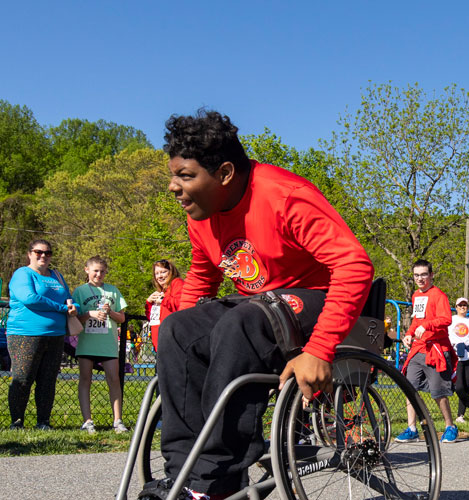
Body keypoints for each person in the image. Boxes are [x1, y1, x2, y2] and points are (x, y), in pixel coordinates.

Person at [144, 110, 373, 500]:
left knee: (244, 321)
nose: (173, 187)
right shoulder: (202, 215)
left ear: (226, 174)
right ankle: (184, 475)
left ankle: (215, 480)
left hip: (317, 297)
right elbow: (202, 275)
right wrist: (181, 342)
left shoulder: (284, 196)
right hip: (262, 306)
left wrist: (319, 349)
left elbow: (354, 265)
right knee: (178, 330)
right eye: (173, 176)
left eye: (185, 176)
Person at [7, 239, 78, 430]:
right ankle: (17, 422)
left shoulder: (57, 276)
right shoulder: (23, 274)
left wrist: (73, 307)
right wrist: (61, 308)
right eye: (39, 252)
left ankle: (43, 421)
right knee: (23, 377)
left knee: (48, 380)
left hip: (55, 335)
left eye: (48, 253)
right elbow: (30, 298)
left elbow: (69, 299)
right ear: (30, 253)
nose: (43, 256)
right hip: (25, 333)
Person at [396, 260, 458, 444]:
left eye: (424, 274)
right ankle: (412, 428)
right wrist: (408, 334)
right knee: (409, 387)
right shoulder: (416, 295)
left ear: (431, 275)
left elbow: (446, 319)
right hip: (418, 349)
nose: (420, 278)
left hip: (436, 349)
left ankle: (450, 426)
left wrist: (427, 325)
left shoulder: (439, 295)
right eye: (416, 275)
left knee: (439, 392)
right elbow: (417, 321)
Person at [73, 256, 129, 434]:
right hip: (87, 344)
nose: (99, 274)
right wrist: (90, 313)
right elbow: (74, 319)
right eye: (95, 270)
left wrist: (109, 311)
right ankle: (87, 421)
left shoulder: (112, 291)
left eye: (102, 271)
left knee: (114, 380)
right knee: (85, 380)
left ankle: (118, 420)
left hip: (108, 345)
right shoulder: (80, 291)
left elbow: (122, 318)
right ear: (87, 270)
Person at [449, 297, 469, 423]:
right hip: (455, 356)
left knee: (466, 386)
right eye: (460, 305)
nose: (463, 307)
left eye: (465, 305)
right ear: (456, 307)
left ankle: (460, 415)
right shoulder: (451, 320)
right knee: (458, 387)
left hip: (468, 356)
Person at [144, 259, 184, 339]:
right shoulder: (162, 291)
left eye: (163, 272)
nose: (159, 276)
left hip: (173, 338)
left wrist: (163, 300)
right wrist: (149, 303)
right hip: (160, 341)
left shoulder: (177, 283)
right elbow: (152, 319)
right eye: (156, 273)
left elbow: (182, 304)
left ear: (171, 272)